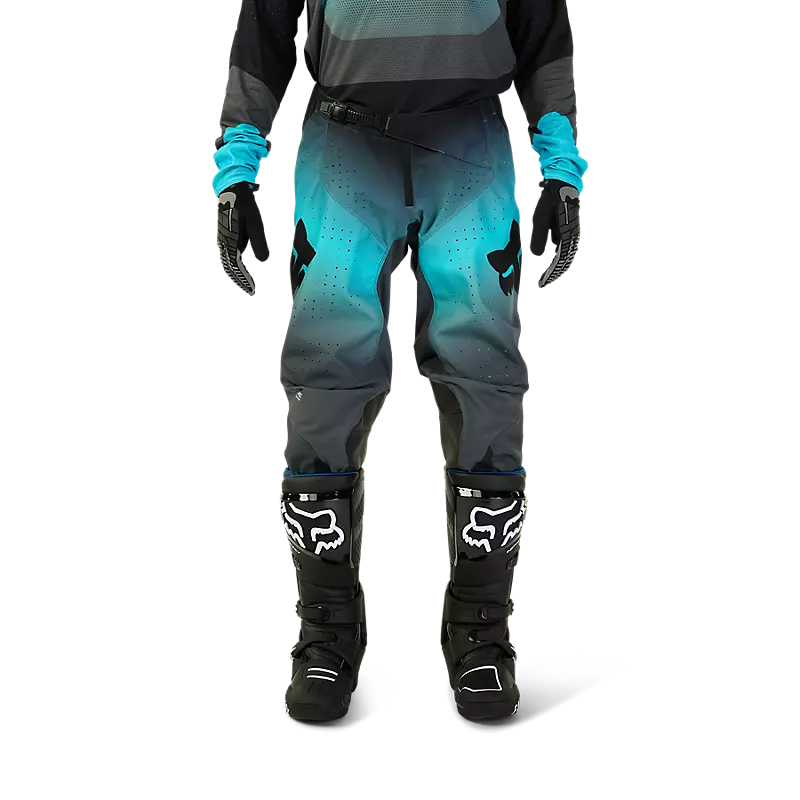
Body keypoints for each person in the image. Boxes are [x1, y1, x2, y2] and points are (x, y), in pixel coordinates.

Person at [213, 0, 588, 721]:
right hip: (346, 148)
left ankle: (480, 627)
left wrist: (561, 169)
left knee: (486, 380)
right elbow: (263, 31)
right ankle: (327, 629)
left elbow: (542, 30)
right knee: (324, 383)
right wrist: (237, 169)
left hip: (467, 144)